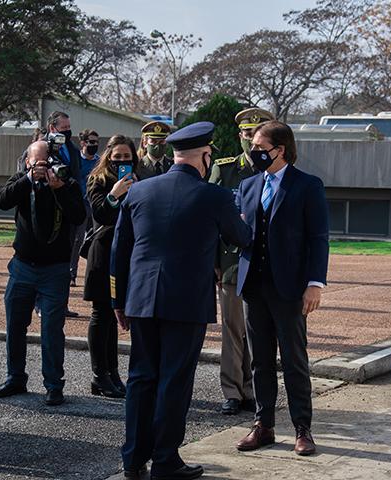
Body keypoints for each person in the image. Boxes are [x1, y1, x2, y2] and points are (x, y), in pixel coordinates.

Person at [111, 122, 252, 480]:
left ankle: (132, 459)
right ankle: (165, 459)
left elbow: (119, 250)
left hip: (140, 298)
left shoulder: (138, 192)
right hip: (185, 302)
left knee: (141, 378)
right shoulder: (214, 196)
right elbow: (242, 236)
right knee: (174, 380)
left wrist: (118, 301)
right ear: (205, 156)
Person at [235, 121, 329, 457]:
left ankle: (302, 428)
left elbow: (318, 238)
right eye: (254, 148)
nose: (255, 153)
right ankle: (264, 426)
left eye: (261, 149)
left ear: (282, 150)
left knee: (294, 360)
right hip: (254, 285)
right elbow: (239, 230)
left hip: (289, 288)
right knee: (259, 360)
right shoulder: (247, 185)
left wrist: (315, 284)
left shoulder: (307, 185)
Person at [0, 140, 86, 406]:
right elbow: (3, 200)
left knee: (52, 330)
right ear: (29, 162)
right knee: (15, 326)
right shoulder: (21, 180)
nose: (46, 168)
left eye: (49, 161)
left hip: (55, 270)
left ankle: (54, 384)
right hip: (22, 267)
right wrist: (29, 179)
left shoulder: (68, 183)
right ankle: (15, 377)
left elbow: (79, 217)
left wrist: (60, 189)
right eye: (39, 163)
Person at [209, 107, 274, 416]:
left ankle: (252, 390)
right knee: (233, 330)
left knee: (257, 330)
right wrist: (214, 262)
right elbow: (210, 221)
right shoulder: (225, 170)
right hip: (232, 262)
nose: (251, 139)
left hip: (266, 264)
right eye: (247, 134)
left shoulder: (275, 170)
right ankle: (233, 391)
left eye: (257, 133)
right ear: (240, 137)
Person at [82, 135, 136, 399]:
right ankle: (98, 375)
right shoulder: (98, 180)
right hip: (103, 252)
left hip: (126, 254)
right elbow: (99, 213)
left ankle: (112, 373)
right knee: (100, 313)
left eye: (127, 157)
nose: (122, 162)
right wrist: (115, 193)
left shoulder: (138, 180)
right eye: (117, 158)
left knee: (115, 318)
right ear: (108, 158)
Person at [47, 111, 82, 317]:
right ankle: (41, 304)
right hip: (49, 212)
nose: (68, 132)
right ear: (52, 128)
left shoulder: (73, 150)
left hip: (69, 210)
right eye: (64, 129)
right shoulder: (41, 148)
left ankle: (62, 303)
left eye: (69, 128)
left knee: (66, 259)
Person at [68, 129, 100, 287]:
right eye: (91, 142)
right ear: (83, 143)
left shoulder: (100, 162)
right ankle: (71, 273)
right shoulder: (76, 160)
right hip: (80, 206)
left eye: (96, 142)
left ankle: (93, 274)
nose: (95, 145)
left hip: (94, 206)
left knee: (96, 240)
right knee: (77, 240)